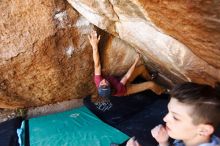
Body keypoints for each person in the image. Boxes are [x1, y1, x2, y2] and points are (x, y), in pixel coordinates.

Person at [126, 82, 220, 146]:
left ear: (204, 130)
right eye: (168, 112)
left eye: (175, 117)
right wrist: (163, 142)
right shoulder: (189, 136)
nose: (165, 118)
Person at [88, 30, 165, 100]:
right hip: (126, 89)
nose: (104, 81)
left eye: (102, 83)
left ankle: (150, 78)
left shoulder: (98, 80)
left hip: (120, 79)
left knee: (141, 68)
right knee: (150, 85)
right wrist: (136, 61)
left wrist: (94, 46)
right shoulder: (119, 89)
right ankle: (162, 91)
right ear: (110, 87)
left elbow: (97, 64)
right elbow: (127, 76)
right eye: (106, 83)